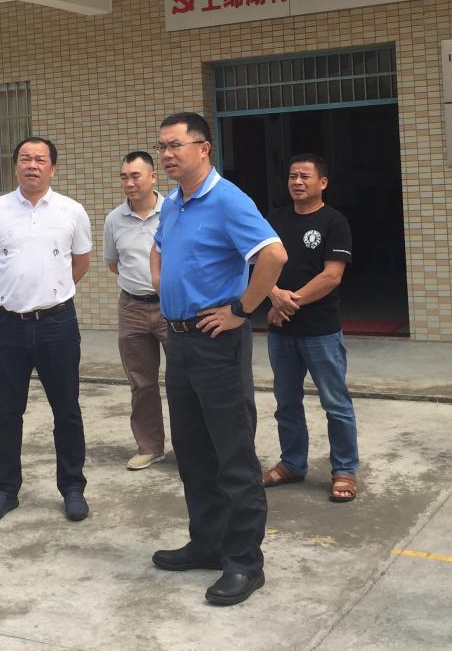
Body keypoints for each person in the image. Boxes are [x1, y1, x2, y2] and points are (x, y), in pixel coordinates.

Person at [149, 112, 288, 607]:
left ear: (204, 148)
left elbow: (273, 255)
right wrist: (165, 288)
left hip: (217, 342)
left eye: (176, 145)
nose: (167, 154)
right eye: (162, 146)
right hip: (180, 341)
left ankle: (244, 561)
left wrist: (241, 310)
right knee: (192, 451)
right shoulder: (172, 203)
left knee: (233, 455)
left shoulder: (228, 199)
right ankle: (207, 543)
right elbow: (158, 249)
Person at [0, 136, 93, 523]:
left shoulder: (72, 211)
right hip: (9, 325)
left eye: (40, 159)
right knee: (7, 412)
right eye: (25, 158)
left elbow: (81, 261)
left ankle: (72, 487)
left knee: (67, 409)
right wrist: (11, 293)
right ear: (15, 166)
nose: (32, 165)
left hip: (58, 324)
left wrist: (53, 293)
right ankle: (4, 491)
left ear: (52, 168)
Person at [260, 154, 359, 503]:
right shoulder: (275, 219)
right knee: (286, 402)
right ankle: (292, 463)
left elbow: (332, 276)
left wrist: (288, 303)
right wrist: (273, 294)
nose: (297, 182)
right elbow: (259, 263)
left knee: (336, 403)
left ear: (323, 182)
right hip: (281, 332)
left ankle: (344, 470)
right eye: (292, 176)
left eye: (305, 176)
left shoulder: (334, 222)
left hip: (320, 331)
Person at [102, 150, 169, 471]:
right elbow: (114, 263)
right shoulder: (114, 219)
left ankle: (192, 448)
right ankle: (150, 447)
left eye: (135, 176)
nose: (129, 183)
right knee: (141, 383)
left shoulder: (174, 210)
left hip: (172, 307)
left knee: (185, 380)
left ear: (153, 177)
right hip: (132, 307)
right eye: (124, 177)